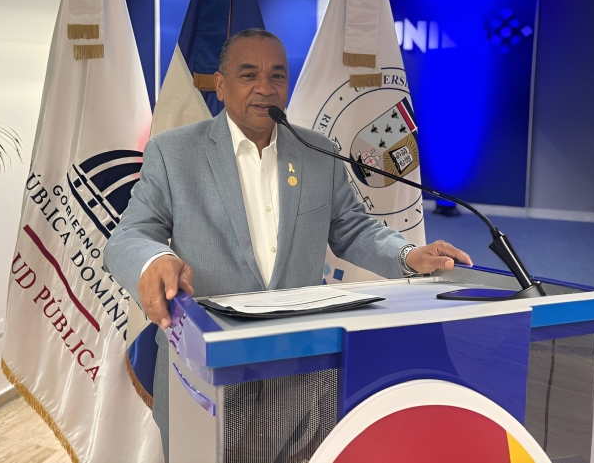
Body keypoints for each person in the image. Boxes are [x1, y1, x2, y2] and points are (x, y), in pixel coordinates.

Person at [104, 28, 472, 459]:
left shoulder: (319, 152)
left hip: (299, 374)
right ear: (220, 85)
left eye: (277, 76)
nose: (265, 87)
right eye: (249, 75)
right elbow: (130, 235)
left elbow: (352, 227)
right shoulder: (173, 152)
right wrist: (155, 258)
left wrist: (407, 254)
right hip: (205, 373)